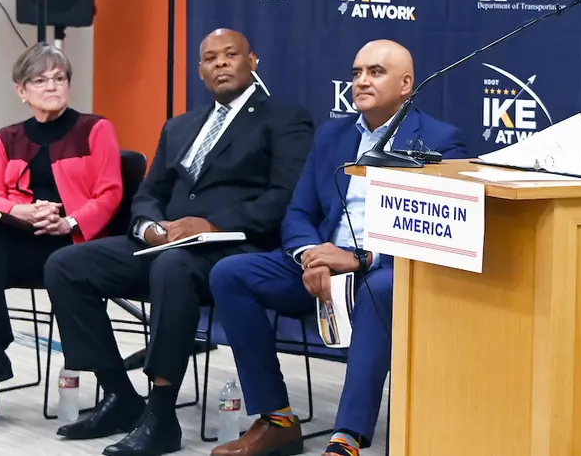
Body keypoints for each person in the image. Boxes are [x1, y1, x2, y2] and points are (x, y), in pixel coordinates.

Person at [44, 29, 314, 456]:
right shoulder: (181, 125)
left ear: (253, 62)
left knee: (173, 269)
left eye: (231, 55)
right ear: (201, 71)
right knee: (67, 264)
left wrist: (209, 223)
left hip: (234, 248)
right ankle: (118, 395)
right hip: (167, 242)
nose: (221, 63)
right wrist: (150, 227)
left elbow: (283, 197)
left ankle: (161, 416)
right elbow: (150, 193)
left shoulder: (285, 118)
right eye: (210, 58)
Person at [208, 40, 468, 456]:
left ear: (406, 84)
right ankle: (276, 420)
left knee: (378, 289)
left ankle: (346, 438)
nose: (361, 81)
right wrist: (311, 255)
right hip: (323, 264)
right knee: (231, 274)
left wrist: (363, 259)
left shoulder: (440, 141)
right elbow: (298, 212)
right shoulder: (334, 134)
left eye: (375, 72)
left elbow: (441, 231)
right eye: (356, 72)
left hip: (385, 269)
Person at [0, 44, 123, 428]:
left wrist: (68, 221)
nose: (52, 86)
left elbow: (111, 192)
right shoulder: (7, 138)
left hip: (72, 246)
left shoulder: (95, 129)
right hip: (23, 241)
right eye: (40, 80)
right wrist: (17, 210)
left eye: (59, 78)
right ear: (22, 90)